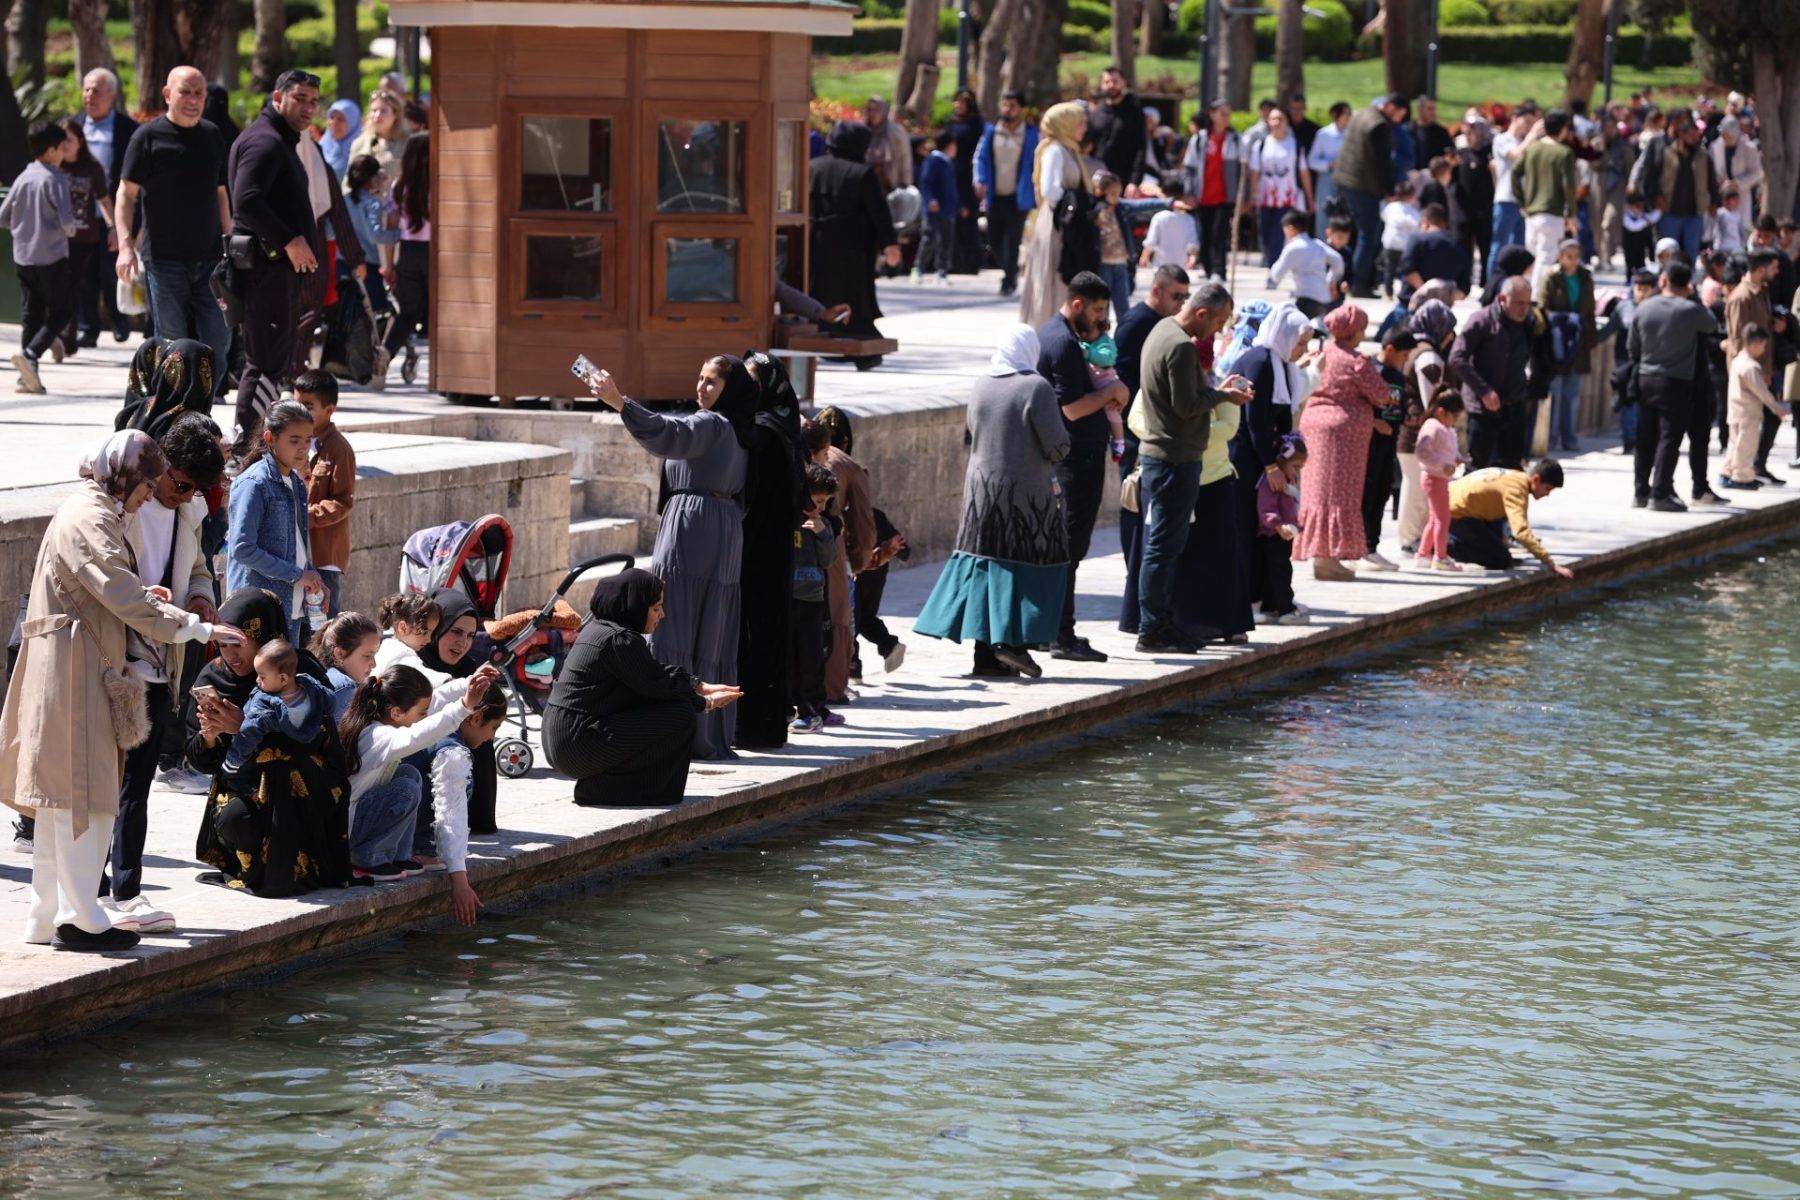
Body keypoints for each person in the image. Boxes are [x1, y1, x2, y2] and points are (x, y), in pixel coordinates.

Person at [0, 432, 240, 950]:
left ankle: (47, 915)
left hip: (74, 661)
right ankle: (82, 916)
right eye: (146, 484)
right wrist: (195, 628)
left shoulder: (93, 510)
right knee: (90, 793)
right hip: (75, 668)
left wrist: (158, 601)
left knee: (61, 798)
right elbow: (120, 591)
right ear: (128, 476)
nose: (147, 495)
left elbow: (112, 588)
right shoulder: (92, 516)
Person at [584, 357, 752, 759]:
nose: (701, 387)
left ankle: (670, 725)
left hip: (693, 526)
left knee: (668, 616)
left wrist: (620, 402)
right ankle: (705, 730)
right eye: (699, 378)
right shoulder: (740, 429)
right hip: (724, 526)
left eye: (712, 382)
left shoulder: (710, 424)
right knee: (710, 625)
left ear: (730, 389)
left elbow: (668, 433)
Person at [914, 325, 1070, 679]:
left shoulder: (982, 383)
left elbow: (971, 432)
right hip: (1025, 495)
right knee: (1025, 564)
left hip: (980, 492)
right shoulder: (1036, 387)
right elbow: (1058, 445)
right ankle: (1012, 645)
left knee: (987, 566)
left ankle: (985, 658)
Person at [542, 569, 738, 806]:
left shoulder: (601, 629)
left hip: (565, 742)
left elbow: (652, 673)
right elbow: (657, 687)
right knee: (680, 716)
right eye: (656, 608)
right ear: (635, 606)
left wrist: (698, 685)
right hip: (575, 745)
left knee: (673, 708)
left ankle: (612, 785)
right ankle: (608, 790)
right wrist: (705, 703)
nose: (662, 615)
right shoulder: (619, 639)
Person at [1132, 282, 1249, 652]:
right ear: (1201, 313)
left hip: (1167, 457)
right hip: (1172, 460)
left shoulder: (1162, 329)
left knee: (1165, 546)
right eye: (1217, 323)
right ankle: (1152, 629)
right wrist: (1225, 396)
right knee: (1164, 548)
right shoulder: (1181, 345)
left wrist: (1217, 391)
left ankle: (1160, 623)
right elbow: (1186, 406)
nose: (1216, 332)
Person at [117, 66, 231, 381]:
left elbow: (221, 193)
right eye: (185, 91)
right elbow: (125, 195)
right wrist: (126, 246)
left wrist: (229, 239)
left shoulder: (211, 135)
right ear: (168, 94)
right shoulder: (146, 137)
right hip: (164, 258)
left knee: (218, 343)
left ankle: (199, 409)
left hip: (210, 258)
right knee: (173, 344)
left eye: (199, 93)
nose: (193, 99)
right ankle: (174, 412)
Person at [227, 70, 322, 445]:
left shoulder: (277, 140)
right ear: (278, 97)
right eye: (300, 98)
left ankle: (252, 444)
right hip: (265, 270)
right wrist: (290, 240)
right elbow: (246, 200)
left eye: (314, 101)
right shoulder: (266, 141)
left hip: (272, 270)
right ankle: (246, 447)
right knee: (266, 363)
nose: (308, 107)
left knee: (270, 360)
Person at [1037, 271, 1125, 662]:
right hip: (1074, 461)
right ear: (1077, 305)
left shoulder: (1064, 336)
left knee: (1066, 547)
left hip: (1074, 457)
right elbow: (1070, 408)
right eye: (1098, 310)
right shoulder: (1063, 343)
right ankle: (1061, 635)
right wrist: (1112, 392)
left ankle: (1049, 629)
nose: (1102, 318)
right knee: (1069, 547)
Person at [339, 663, 494, 881]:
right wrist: (463, 707)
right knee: (406, 788)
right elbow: (419, 735)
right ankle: (367, 858)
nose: (425, 717)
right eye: (421, 713)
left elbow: (435, 701)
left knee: (409, 773)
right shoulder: (378, 736)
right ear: (396, 712)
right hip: (349, 830)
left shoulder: (383, 722)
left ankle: (399, 854)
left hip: (360, 819)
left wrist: (467, 683)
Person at [729, 351, 808, 749]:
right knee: (766, 632)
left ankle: (753, 726)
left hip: (759, 551)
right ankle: (763, 724)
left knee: (756, 634)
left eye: (752, 380)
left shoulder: (763, 432)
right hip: (771, 551)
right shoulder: (782, 425)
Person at [1114, 265, 1190, 632]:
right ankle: (1138, 596)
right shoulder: (1136, 325)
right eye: (1176, 296)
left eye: (1185, 298)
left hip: (1152, 435)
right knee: (1136, 516)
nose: (1181, 305)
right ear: (1157, 291)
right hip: (1138, 437)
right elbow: (1126, 384)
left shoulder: (1165, 327)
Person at [1228, 303, 1313, 617]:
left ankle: (1269, 597)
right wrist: (1271, 466)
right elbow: (1255, 421)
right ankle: (1249, 599)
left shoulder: (1280, 364)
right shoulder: (1260, 362)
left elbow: (1281, 420)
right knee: (1250, 527)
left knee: (1268, 530)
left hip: (1265, 457)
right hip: (1247, 459)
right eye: (1300, 342)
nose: (1302, 349)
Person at [1293, 304, 1389, 580]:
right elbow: (1381, 394)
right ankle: (1328, 559)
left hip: (1314, 427)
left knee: (1318, 491)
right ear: (1354, 330)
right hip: (1344, 436)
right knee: (1338, 493)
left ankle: (1321, 556)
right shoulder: (1356, 361)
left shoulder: (1320, 353)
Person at [226, 400, 325, 638]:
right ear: (270, 438)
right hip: (259, 610)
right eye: (294, 440)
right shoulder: (255, 484)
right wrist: (297, 574)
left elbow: (297, 546)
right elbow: (242, 548)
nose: (303, 448)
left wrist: (313, 577)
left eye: (308, 440)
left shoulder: (297, 484)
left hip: (294, 607)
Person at [809, 122, 901, 362]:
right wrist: (890, 245)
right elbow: (878, 213)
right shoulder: (862, 173)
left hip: (815, 246)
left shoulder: (812, 168)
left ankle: (826, 337)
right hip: (852, 250)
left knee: (821, 293)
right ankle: (861, 349)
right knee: (854, 297)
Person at [1628, 261, 1717, 511]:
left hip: (1645, 377)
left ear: (1663, 280)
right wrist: (1694, 297)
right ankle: (1660, 492)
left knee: (1645, 437)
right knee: (1669, 438)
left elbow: (1632, 346)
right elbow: (1711, 324)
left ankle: (1640, 491)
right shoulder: (1691, 310)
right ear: (1687, 284)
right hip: (1677, 381)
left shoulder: (1644, 307)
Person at [808, 407, 878, 703]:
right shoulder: (849, 465)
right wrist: (862, 560)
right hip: (829, 546)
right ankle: (832, 689)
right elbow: (864, 523)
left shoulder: (797, 454)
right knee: (836, 617)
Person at [3, 121, 78, 394]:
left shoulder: (24, 176)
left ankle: (26, 377)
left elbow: (3, 216)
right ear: (50, 151)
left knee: (31, 313)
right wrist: (70, 229)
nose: (64, 152)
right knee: (62, 311)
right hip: (52, 257)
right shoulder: (55, 178)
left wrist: (24, 226)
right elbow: (67, 221)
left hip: (23, 256)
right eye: (62, 147)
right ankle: (32, 354)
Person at [1451, 275, 1536, 471]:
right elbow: (1457, 358)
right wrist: (1484, 391)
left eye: (1527, 303)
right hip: (1484, 408)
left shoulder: (1528, 323)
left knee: (1512, 470)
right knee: (1478, 469)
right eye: (1518, 303)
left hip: (1514, 404)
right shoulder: (1482, 320)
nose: (1523, 309)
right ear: (1502, 299)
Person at [76, 68, 136, 345]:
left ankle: (118, 319)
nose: (90, 95)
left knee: (111, 271)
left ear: (111, 95)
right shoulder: (73, 126)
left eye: (96, 90)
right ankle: (88, 327)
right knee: (85, 272)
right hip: (80, 214)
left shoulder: (128, 130)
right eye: (86, 89)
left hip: (113, 211)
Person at [1018, 102, 1090, 329]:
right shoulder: (1055, 150)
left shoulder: (1068, 149)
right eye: (1080, 122)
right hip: (1057, 223)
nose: (1084, 128)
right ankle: (1047, 332)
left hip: (1066, 221)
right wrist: (1075, 205)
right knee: (1053, 278)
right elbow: (1050, 190)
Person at [1394, 299, 1457, 556]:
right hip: (1417, 435)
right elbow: (1431, 399)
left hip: (1411, 431)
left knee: (1415, 487)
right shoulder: (1429, 356)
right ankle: (1410, 539)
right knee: (1416, 491)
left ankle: (1415, 540)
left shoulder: (1416, 349)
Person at [220, 637, 333, 776]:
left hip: (275, 769)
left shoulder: (264, 705)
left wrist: (232, 762)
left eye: (262, 677)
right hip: (307, 760)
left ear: (283, 679)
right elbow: (331, 701)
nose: (257, 680)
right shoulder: (312, 687)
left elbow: (248, 733)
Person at [1448, 459, 1574, 578]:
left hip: (1457, 506)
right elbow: (1521, 532)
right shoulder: (1517, 490)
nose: (1547, 495)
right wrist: (1550, 563)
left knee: (1497, 547)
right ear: (1536, 479)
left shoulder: (1516, 477)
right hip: (1456, 513)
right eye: (1547, 489)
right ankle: (1447, 546)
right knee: (1501, 560)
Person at [1332, 96, 1402, 296]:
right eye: (1398, 114)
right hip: (1363, 186)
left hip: (1347, 181)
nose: (1398, 119)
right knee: (1368, 234)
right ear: (1389, 107)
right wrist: (1389, 190)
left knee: (1357, 234)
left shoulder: (1363, 113)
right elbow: (1383, 162)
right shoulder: (1379, 124)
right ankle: (1359, 283)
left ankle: (1352, 279)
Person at [55, 118, 113, 359]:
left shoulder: (92, 168)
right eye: (60, 141)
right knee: (56, 288)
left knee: (73, 287)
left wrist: (114, 228)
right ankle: (60, 332)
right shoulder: (54, 166)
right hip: (55, 239)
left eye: (68, 140)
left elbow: (104, 199)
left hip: (83, 239)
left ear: (79, 141)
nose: (64, 145)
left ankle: (67, 335)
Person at [789, 463, 840, 731]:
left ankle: (812, 710)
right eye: (818, 501)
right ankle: (791, 705)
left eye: (825, 503)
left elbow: (829, 559)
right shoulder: (789, 520)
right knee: (790, 656)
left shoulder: (823, 525)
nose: (821, 507)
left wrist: (821, 530)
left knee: (811, 657)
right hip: (788, 599)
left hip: (812, 600)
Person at [974, 91, 1037, 298]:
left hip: (1018, 197)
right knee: (994, 239)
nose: (1007, 109)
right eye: (1004, 105)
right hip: (995, 195)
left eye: (1012, 105)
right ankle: (1009, 270)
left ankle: (1009, 280)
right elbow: (981, 158)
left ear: (1021, 109)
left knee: (1012, 239)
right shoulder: (992, 132)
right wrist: (980, 179)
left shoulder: (1029, 134)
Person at [1538, 239, 1597, 453]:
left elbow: (1589, 312)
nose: (1573, 261)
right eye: (1568, 256)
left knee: (1572, 395)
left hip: (1578, 343)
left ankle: (1569, 438)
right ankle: (1551, 439)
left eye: (1576, 256)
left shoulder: (1585, 277)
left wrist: (1591, 339)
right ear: (1561, 257)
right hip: (1556, 342)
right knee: (1556, 392)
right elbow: (1544, 308)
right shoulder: (1552, 277)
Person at [383, 133, 430, 383]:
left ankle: (385, 355)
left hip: (408, 252)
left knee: (408, 313)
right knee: (441, 310)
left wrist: (389, 264)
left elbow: (391, 230)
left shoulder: (399, 186)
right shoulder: (440, 183)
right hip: (436, 252)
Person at [1513, 109, 1578, 287]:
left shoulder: (1532, 148)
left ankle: (1531, 291)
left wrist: (1522, 200)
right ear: (1563, 129)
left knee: (1536, 255)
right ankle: (1535, 298)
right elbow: (1569, 186)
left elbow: (1515, 172)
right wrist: (1571, 213)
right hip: (1552, 212)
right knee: (1546, 257)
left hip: (1532, 212)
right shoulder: (1564, 153)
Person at [1722, 325, 1789, 490]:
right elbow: (1762, 393)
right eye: (1764, 346)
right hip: (1748, 413)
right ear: (1756, 343)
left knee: (1735, 444)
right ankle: (1742, 477)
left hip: (1735, 411)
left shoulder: (1737, 360)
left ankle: (1727, 472)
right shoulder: (1751, 367)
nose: (1764, 350)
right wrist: (1778, 409)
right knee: (1747, 446)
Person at [1248, 108, 1312, 268]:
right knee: (1266, 235)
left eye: (1280, 119)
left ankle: (1273, 267)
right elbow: (1255, 172)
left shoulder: (1294, 145)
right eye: (1273, 119)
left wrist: (1310, 198)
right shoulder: (1261, 145)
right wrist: (1252, 196)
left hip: (1286, 198)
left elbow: (1303, 172)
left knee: (1279, 234)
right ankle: (1271, 262)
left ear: (1286, 122)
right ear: (1268, 121)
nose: (1276, 122)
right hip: (1265, 198)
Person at [1412, 391, 1466, 571]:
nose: (1456, 420)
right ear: (1442, 412)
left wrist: (1457, 458)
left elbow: (1445, 450)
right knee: (1443, 519)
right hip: (1434, 478)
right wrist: (1443, 465)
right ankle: (1440, 557)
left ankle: (1422, 554)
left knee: (1435, 519)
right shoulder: (1433, 427)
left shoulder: (1445, 428)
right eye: (1455, 416)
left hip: (1439, 478)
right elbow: (1422, 452)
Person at [1267, 208, 1344, 319]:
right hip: (1324, 299)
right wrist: (1331, 280)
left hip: (1305, 298)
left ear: (1290, 228)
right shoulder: (1318, 245)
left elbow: (1276, 274)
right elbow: (1338, 260)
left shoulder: (1292, 248)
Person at [1487, 104, 1534, 280]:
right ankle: (1492, 283)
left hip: (1523, 202)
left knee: (1519, 247)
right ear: (1515, 118)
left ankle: (1515, 282)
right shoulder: (1502, 139)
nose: (1529, 126)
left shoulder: (1527, 142)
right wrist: (1533, 135)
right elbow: (1515, 154)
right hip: (1505, 199)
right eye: (1526, 121)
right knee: (1499, 245)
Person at [1657, 116, 1711, 262]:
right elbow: (1655, 177)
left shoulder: (1703, 156)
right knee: (1668, 251)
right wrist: (1658, 197)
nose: (1694, 138)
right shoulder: (1667, 153)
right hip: (1670, 211)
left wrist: (1713, 203)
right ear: (1681, 135)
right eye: (1691, 134)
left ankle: (1689, 281)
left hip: (1694, 213)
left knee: (1691, 251)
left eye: (1696, 134)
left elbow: (1711, 180)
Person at [945, 88, 987, 274]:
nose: (958, 106)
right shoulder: (951, 123)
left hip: (968, 174)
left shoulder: (976, 124)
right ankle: (953, 261)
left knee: (967, 217)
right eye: (956, 102)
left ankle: (971, 262)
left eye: (962, 102)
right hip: (951, 173)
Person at [1451, 112, 1495, 284]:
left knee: (1485, 246)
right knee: (1463, 247)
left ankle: (1486, 281)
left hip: (1485, 207)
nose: (1469, 137)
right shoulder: (1461, 152)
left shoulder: (1489, 152)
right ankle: (1463, 281)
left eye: (1473, 132)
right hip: (1464, 208)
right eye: (1467, 133)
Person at [314, 610, 382, 720]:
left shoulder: (325, 675)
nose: (374, 664)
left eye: (374, 655)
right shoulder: (344, 689)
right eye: (367, 656)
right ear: (339, 654)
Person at [1398, 203, 1470, 303]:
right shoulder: (1459, 246)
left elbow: (1407, 268)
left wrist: (1426, 292)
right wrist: (1440, 297)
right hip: (1441, 312)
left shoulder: (1417, 238)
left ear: (1425, 222)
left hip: (1409, 305)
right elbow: (1464, 290)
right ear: (1445, 223)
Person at [1089, 65, 1147, 186]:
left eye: (1115, 81)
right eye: (1106, 82)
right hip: (1097, 178)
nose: (1111, 85)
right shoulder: (1097, 112)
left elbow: (1140, 148)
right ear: (1101, 85)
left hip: (1124, 179)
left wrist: (1134, 182)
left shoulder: (1134, 112)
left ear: (1123, 83)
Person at [913, 130, 957, 283]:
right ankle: (918, 268)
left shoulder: (948, 162)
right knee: (929, 237)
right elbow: (925, 182)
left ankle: (942, 270)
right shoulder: (933, 160)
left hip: (948, 208)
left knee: (946, 240)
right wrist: (930, 199)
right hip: (933, 208)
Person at [373, 591, 443, 674]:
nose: (429, 640)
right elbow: (426, 676)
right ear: (403, 628)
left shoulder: (388, 646)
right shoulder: (401, 654)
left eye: (431, 633)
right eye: (424, 632)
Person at [1707, 116, 1762, 219]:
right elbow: (1711, 170)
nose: (1725, 138)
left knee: (1741, 227)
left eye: (1728, 136)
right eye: (1723, 135)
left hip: (1741, 195)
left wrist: (1737, 183)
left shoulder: (1749, 148)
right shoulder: (1715, 147)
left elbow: (1756, 173)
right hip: (1721, 195)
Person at [349, 89, 409, 183]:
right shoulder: (359, 143)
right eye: (374, 110)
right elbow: (348, 182)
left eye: (383, 111)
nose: (377, 115)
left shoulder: (407, 143)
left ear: (396, 114)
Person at [861, 97, 912, 193]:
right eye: (869, 109)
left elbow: (905, 157)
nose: (872, 113)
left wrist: (905, 182)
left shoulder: (896, 131)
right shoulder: (862, 130)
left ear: (884, 111)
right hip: (865, 181)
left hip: (890, 182)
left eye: (876, 110)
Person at [1378, 180, 1420, 298]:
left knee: (1389, 269)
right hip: (1404, 245)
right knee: (1404, 270)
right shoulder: (1413, 212)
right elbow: (1416, 224)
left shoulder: (1390, 207)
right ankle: (1403, 291)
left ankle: (1388, 292)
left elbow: (1383, 216)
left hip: (1389, 243)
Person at [319, 98, 360, 179]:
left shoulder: (360, 150)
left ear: (352, 122)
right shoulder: (322, 145)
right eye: (331, 117)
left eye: (341, 119)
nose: (334, 123)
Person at [1713, 183, 1745, 254]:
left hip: (1735, 246)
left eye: (1738, 200)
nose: (1737, 202)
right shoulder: (1720, 213)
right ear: (1726, 200)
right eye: (1734, 200)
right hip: (1722, 246)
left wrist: (1743, 242)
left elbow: (1741, 231)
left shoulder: (1738, 215)